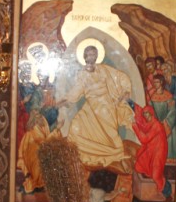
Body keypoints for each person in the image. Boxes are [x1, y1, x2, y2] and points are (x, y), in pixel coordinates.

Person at [58, 44, 135, 172]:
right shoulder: (82, 74)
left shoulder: (103, 69)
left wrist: (126, 90)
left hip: (105, 104)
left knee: (109, 131)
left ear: (96, 56)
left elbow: (119, 76)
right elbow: (77, 91)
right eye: (89, 54)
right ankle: (88, 152)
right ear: (84, 57)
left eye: (94, 54)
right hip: (91, 104)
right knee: (76, 124)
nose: (91, 57)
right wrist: (65, 100)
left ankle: (117, 152)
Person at [131, 103, 171, 198]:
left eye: (147, 114)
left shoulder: (156, 125)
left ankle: (167, 193)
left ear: (151, 113)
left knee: (156, 175)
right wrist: (130, 102)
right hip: (152, 149)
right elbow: (142, 122)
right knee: (138, 166)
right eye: (144, 114)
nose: (145, 116)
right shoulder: (149, 123)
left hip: (159, 152)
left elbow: (144, 139)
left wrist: (134, 126)